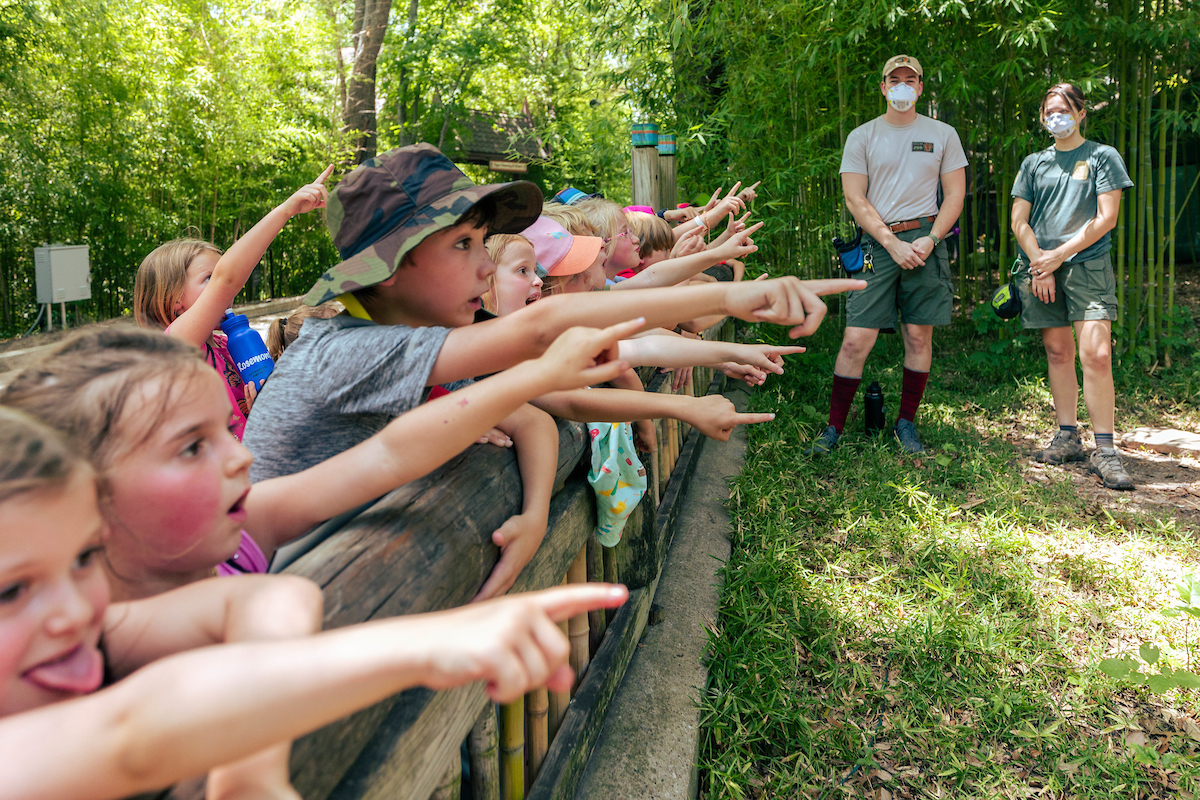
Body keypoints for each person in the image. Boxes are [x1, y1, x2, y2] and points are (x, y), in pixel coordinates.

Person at [0, 406, 630, 800]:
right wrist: (425, 645)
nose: (74, 611)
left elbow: (273, 595)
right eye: (11, 590)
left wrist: (250, 763)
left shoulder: (96, 630)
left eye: (84, 560)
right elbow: (132, 731)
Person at [243, 142, 862, 483]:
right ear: (392, 264)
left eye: (484, 246)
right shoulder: (350, 348)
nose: (485, 268)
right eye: (463, 245)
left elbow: (555, 398)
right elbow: (545, 331)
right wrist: (729, 296)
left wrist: (677, 405)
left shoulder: (426, 334)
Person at [1, 320, 641, 602]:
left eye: (229, 428)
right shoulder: (84, 625)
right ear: (88, 495)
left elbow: (390, 453)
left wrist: (536, 375)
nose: (238, 457)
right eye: (193, 446)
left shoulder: (250, 525)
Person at [808, 54, 968, 456]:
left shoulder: (943, 133)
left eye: (909, 79)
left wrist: (930, 239)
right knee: (855, 340)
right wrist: (891, 243)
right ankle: (833, 429)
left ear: (919, 87)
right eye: (893, 79)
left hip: (926, 241)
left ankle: (906, 424)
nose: (901, 85)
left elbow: (955, 195)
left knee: (918, 334)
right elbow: (854, 197)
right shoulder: (862, 136)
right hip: (877, 244)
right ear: (882, 87)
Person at [134, 167, 333, 438]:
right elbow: (227, 280)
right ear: (173, 300)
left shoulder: (228, 344)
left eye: (217, 275)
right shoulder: (173, 348)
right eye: (209, 278)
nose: (224, 287)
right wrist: (286, 210)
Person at [1011, 83, 1135, 490]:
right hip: (1043, 270)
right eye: (1049, 111)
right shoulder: (1033, 163)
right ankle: (1068, 436)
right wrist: (1039, 264)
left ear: (1082, 113)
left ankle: (1106, 450)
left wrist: (1057, 256)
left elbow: (1106, 218)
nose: (1056, 117)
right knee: (1057, 350)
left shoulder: (1102, 156)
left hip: (1086, 266)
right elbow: (1019, 221)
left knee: (1096, 355)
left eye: (1064, 109)